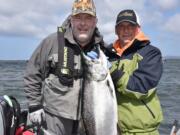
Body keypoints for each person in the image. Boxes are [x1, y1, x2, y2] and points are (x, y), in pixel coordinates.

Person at [24, 0, 106, 134]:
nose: (83, 23)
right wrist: (34, 105)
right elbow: (32, 72)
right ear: (71, 20)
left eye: (88, 18)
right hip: (55, 116)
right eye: (78, 18)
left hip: (89, 119)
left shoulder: (102, 49)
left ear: (95, 22)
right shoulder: (52, 41)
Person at [106, 9, 164, 135]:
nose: (126, 30)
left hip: (142, 131)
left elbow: (142, 88)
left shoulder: (151, 53)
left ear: (138, 29)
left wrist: (114, 72)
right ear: (116, 31)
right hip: (111, 129)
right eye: (121, 26)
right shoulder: (107, 54)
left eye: (130, 26)